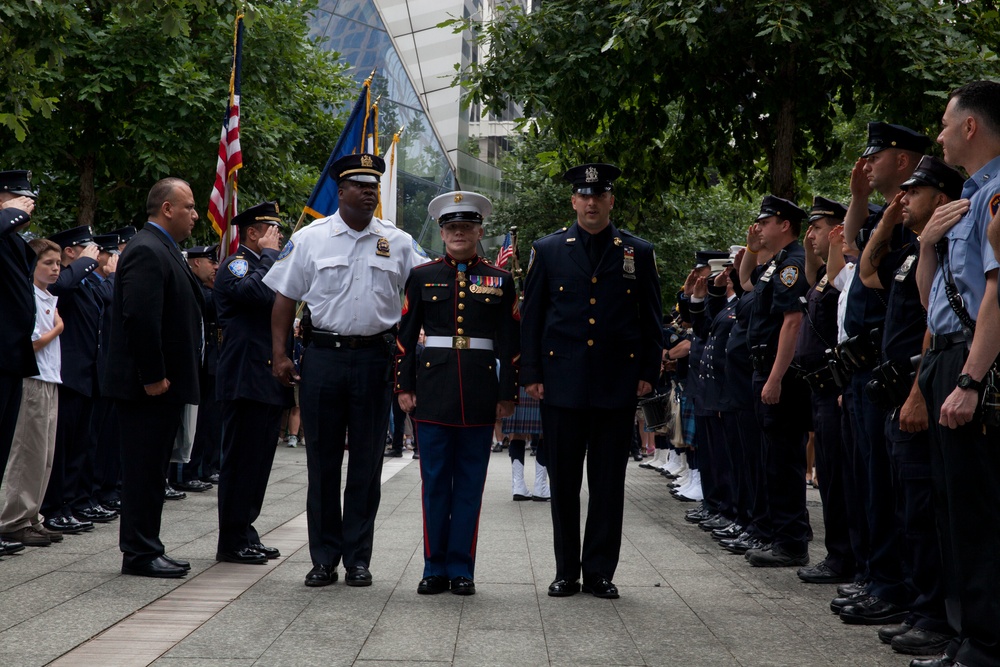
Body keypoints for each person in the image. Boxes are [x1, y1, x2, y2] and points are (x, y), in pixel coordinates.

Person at [264, 153, 426, 587]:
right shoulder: (311, 238)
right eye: (360, 184)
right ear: (342, 190)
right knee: (322, 461)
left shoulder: (400, 241)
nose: (369, 191)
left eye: (374, 184)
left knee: (367, 463)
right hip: (323, 359)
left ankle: (358, 559)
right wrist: (280, 355)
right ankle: (323, 559)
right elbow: (283, 299)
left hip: (376, 359)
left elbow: (425, 294)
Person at [520, 162, 663, 599]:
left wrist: (647, 373)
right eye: (583, 195)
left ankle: (600, 571)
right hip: (561, 384)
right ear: (573, 201)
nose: (591, 203)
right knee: (563, 483)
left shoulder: (637, 251)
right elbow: (532, 319)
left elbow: (651, 319)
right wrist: (531, 375)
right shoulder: (547, 250)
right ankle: (567, 570)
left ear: (611, 201)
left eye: (599, 195)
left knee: (607, 484)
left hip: (616, 385)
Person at [858, 156, 963, 656]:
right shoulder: (911, 249)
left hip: (919, 388)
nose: (903, 198)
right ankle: (918, 605)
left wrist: (919, 390)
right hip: (898, 392)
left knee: (924, 509)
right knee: (905, 505)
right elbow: (867, 274)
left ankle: (933, 615)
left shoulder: (945, 248)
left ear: (940, 198)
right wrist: (886, 223)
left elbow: (934, 320)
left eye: (913, 192)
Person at [395, 191, 520, 595]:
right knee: (434, 485)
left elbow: (509, 341)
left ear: (479, 231)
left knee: (469, 487)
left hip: (481, 393)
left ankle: (461, 568)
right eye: (451, 228)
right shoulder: (421, 276)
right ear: (442, 232)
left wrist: (507, 394)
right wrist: (404, 386)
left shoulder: (500, 280)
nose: (459, 234)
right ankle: (434, 567)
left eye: (466, 227)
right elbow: (406, 336)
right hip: (433, 392)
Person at [914, 80, 1000, 667]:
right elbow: (936, 305)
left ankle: (985, 644)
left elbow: (998, 293)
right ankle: (964, 635)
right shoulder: (967, 200)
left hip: (976, 360)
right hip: (949, 351)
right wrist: (925, 247)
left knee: (977, 511)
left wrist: (969, 380)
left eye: (946, 123)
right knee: (950, 507)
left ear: (971, 126)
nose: (940, 135)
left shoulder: (996, 197)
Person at [103, 177, 204, 579]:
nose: (196, 215)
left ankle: (148, 545)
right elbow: (140, 318)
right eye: (189, 207)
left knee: (153, 468)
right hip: (148, 386)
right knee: (144, 469)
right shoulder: (147, 249)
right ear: (167, 208)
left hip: (161, 384)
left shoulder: (163, 248)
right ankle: (140, 552)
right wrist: (154, 375)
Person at [214, 202, 293, 565]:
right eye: (271, 231)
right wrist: (271, 257)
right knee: (241, 461)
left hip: (265, 378)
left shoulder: (267, 265)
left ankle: (246, 530)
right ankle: (231, 539)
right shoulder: (238, 263)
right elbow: (256, 294)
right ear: (252, 234)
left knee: (258, 463)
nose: (278, 238)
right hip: (245, 377)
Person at [740, 195, 811, 568]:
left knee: (783, 460)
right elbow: (748, 283)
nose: (759, 227)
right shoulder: (776, 265)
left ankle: (792, 541)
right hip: (764, 370)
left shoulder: (792, 265)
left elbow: (792, 322)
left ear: (784, 225)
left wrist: (775, 377)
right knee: (770, 459)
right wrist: (752, 250)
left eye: (764, 222)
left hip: (778, 374)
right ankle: (776, 533)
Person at [793, 197, 856, 585]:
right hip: (820, 389)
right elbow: (815, 272)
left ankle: (844, 558)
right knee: (832, 476)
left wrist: (834, 243)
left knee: (838, 477)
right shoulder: (821, 275)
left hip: (836, 385)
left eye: (816, 228)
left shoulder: (848, 271)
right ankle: (839, 555)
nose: (809, 236)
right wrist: (810, 247)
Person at [0, 238, 64, 547]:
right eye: (48, 263)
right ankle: (13, 518)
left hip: (51, 379)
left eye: (58, 264)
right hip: (33, 378)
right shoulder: (30, 296)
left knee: (43, 456)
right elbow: (31, 342)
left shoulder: (48, 296)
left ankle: (32, 516)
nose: (55, 269)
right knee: (27, 453)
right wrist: (56, 330)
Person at [0, 170, 39, 557]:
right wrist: (7, 214)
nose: (25, 206)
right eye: (16, 197)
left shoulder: (10, 238)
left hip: (10, 356)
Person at [168, 245, 219, 491]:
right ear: (196, 263)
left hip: (205, 362)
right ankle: (181, 473)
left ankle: (197, 469)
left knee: (205, 422)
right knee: (187, 422)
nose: (216, 267)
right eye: (211, 262)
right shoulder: (193, 288)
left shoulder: (202, 289)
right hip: (191, 365)